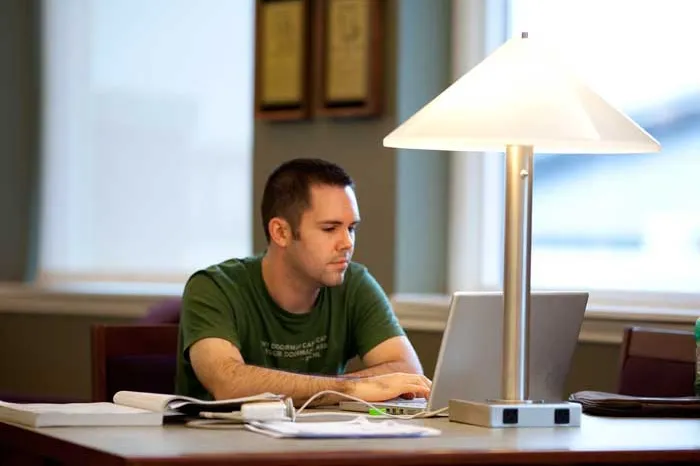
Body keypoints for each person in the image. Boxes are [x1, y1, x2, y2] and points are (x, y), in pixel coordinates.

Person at [175, 158, 431, 406]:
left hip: (322, 443)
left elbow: (407, 372)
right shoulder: (213, 287)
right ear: (281, 233)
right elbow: (229, 383)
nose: (347, 243)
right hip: (221, 445)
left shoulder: (354, 282)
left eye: (351, 228)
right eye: (330, 229)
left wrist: (323, 389)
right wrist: (351, 388)